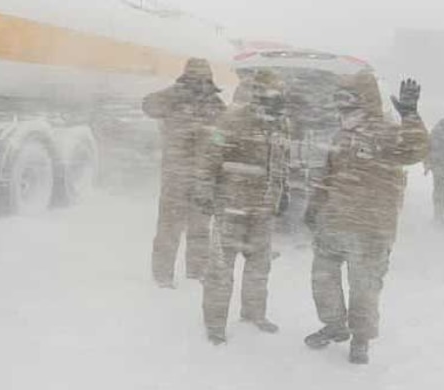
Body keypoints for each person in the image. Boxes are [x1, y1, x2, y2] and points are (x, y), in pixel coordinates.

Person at [303, 73, 428, 365]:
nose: (341, 105)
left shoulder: (386, 131)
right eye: (339, 98)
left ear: (365, 99)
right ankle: (335, 324)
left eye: (348, 98)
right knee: (323, 279)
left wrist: (411, 116)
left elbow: (415, 150)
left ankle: (360, 340)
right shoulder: (341, 134)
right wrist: (314, 206)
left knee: (365, 288)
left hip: (371, 229)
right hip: (333, 223)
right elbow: (327, 175)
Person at [197, 70, 290, 344]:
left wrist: (281, 192)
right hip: (232, 205)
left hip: (262, 210)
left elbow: (282, 160)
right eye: (267, 92)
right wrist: (204, 188)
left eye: (277, 93)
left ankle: (253, 313)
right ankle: (215, 324)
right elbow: (211, 154)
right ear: (257, 92)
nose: (272, 98)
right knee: (221, 268)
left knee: (259, 267)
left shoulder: (282, 123)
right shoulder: (233, 119)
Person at [143, 58, 227, 287]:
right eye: (194, 79)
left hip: (202, 177)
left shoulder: (215, 104)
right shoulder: (173, 98)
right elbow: (148, 105)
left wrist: (214, 141)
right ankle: (163, 276)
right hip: (177, 175)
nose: (199, 84)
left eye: (203, 79)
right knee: (170, 227)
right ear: (186, 78)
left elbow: (225, 135)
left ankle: (196, 272)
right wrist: (176, 94)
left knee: (199, 228)